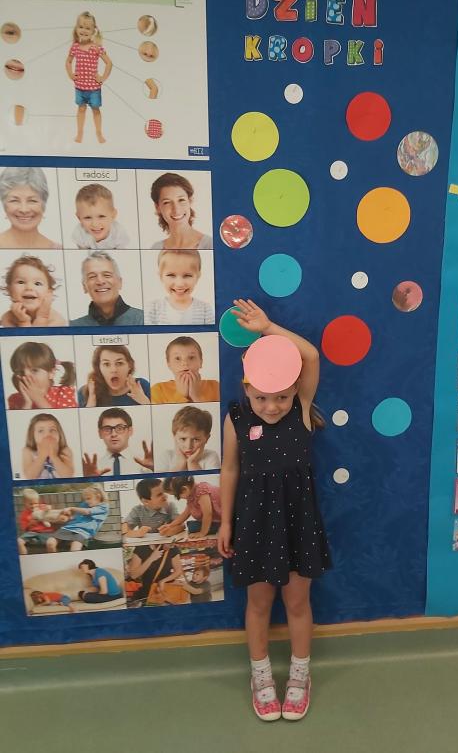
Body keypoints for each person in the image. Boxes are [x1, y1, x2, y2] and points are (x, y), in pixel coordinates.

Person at [219, 299, 331, 722]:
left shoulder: (301, 411)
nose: (272, 406)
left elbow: (311, 356)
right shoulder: (236, 417)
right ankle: (261, 675)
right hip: (254, 524)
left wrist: (268, 327)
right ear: (247, 388)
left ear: (295, 391)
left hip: (298, 523)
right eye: (263, 397)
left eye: (282, 396)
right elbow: (229, 469)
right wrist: (225, 522)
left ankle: (300, 675)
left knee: (298, 602)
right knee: (258, 602)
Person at [65, 11, 112, 144]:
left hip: (93, 88)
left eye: (87, 28)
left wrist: (102, 78)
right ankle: (79, 133)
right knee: (81, 109)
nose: (84, 30)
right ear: (76, 28)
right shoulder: (75, 47)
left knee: (96, 110)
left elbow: (109, 63)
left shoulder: (96, 48)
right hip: (80, 87)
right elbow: (68, 61)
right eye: (81, 27)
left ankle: (99, 132)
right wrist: (70, 74)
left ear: (93, 31)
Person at [70, 251, 143, 327]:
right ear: (84, 286)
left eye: (107, 275)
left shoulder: (143, 320)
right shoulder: (73, 326)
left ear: (119, 282)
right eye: (92, 276)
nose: (100, 281)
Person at [144, 249, 214, 326]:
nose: (179, 284)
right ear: (161, 276)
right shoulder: (153, 309)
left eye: (187, 275)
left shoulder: (205, 310)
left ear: (198, 276)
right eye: (171, 275)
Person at [0, 167, 61, 249]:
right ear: (5, 205)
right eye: (14, 200)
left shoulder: (57, 248)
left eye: (32, 201)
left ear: (43, 204)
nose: (24, 210)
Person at [82, 408, 154, 477]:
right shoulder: (93, 468)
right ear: (100, 433)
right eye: (107, 429)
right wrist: (89, 479)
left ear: (130, 431)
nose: (113, 434)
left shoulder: (145, 463)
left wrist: (154, 468)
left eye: (119, 428)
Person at [150, 172, 213, 249]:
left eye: (181, 200)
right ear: (157, 207)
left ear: (190, 201)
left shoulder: (209, 245)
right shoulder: (156, 248)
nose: (176, 210)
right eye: (167, 202)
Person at [1, 255, 67, 327]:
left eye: (37, 283)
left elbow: (39, 334)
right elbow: (24, 335)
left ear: (49, 293)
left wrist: (42, 317)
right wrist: (23, 321)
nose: (29, 287)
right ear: (9, 290)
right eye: (21, 282)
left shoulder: (56, 320)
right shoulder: (7, 318)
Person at [7, 341, 76, 409]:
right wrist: (27, 403)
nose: (25, 376)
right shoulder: (14, 399)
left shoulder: (63, 394)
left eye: (34, 370)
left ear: (51, 373)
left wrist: (38, 398)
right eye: (21, 372)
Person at [151, 335, 220, 404]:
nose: (185, 363)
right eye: (177, 358)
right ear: (169, 364)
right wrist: (180, 395)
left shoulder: (215, 387)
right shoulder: (158, 390)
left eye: (191, 357)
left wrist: (197, 396)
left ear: (201, 362)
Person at [78, 344, 150, 408]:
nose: (114, 370)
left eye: (119, 363)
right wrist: (91, 403)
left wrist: (144, 401)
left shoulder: (142, 386)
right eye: (106, 364)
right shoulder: (85, 392)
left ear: (129, 366)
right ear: (98, 368)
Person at [45, 485, 109, 552]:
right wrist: (67, 516)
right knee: (50, 543)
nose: (86, 501)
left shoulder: (103, 507)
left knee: (75, 549)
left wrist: (71, 508)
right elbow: (76, 515)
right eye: (85, 499)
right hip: (69, 528)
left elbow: (87, 512)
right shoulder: (85, 504)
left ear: (98, 496)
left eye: (88, 498)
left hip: (83, 532)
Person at [156, 405, 220, 472]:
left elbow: (211, 479)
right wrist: (181, 463)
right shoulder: (166, 457)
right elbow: (163, 479)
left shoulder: (211, 457)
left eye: (196, 439)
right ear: (174, 437)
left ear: (206, 438)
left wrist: (192, 462)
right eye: (183, 439)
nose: (188, 446)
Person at [72, 183, 130, 249]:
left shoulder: (118, 233)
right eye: (87, 217)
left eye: (101, 216)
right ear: (79, 218)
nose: (95, 224)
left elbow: (121, 253)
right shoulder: (80, 233)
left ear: (113, 215)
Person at [21, 413, 75, 480]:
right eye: (41, 431)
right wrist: (42, 455)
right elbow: (30, 476)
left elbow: (68, 476)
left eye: (52, 430)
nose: (47, 435)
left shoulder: (65, 451)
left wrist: (54, 456)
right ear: (32, 435)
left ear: (59, 434)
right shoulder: (28, 451)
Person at [17, 487, 58, 554]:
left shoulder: (41, 507)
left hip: (46, 532)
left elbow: (49, 509)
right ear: (25, 503)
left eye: (35, 503)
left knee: (50, 544)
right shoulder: (24, 514)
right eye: (31, 504)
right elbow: (25, 528)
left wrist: (48, 508)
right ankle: (24, 557)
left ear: (38, 502)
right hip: (32, 533)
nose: (34, 506)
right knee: (19, 542)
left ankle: (53, 558)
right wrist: (31, 523)